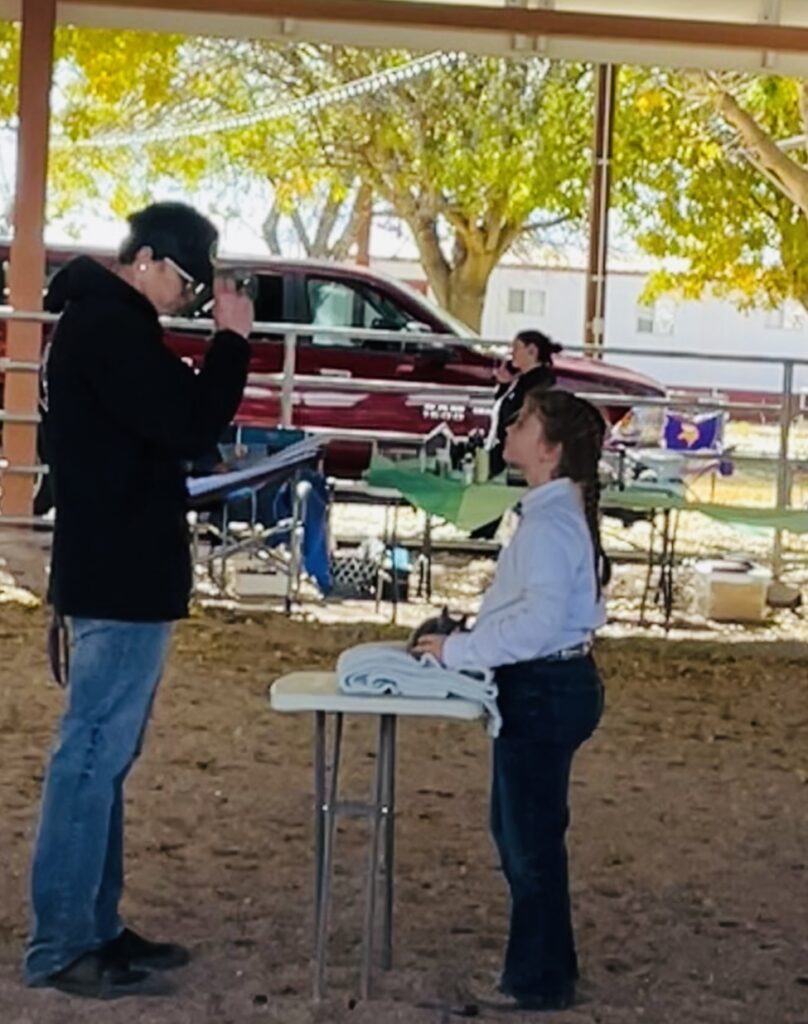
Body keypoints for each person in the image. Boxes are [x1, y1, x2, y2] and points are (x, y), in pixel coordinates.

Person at [26, 202, 254, 999]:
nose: (188, 300)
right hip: (120, 571)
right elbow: (189, 421)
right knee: (89, 757)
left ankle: (93, 925)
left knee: (101, 758)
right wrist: (232, 342)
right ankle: (61, 941)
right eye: (186, 284)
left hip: (112, 564)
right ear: (147, 258)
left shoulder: (99, 326)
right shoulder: (111, 331)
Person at [414, 388, 609, 1013]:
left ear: (549, 450)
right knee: (525, 834)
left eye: (523, 422)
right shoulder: (552, 514)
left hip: (544, 688)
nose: (510, 427)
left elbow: (538, 623)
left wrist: (459, 652)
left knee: (527, 842)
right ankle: (547, 968)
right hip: (548, 684)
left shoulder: (551, 523)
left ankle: (537, 981)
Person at [486, 330, 562, 479]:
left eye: (516, 348)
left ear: (532, 351)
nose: (511, 353)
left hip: (520, 455)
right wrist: (503, 385)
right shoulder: (521, 379)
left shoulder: (540, 382)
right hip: (503, 449)